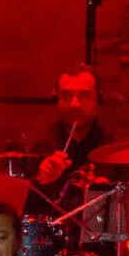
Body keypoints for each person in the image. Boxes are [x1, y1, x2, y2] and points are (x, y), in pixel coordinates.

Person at [34, 66, 110, 194]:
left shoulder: (115, 149)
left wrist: (106, 191)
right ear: (57, 100)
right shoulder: (39, 147)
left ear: (99, 100)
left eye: (83, 96)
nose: (74, 104)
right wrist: (42, 180)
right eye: (66, 96)